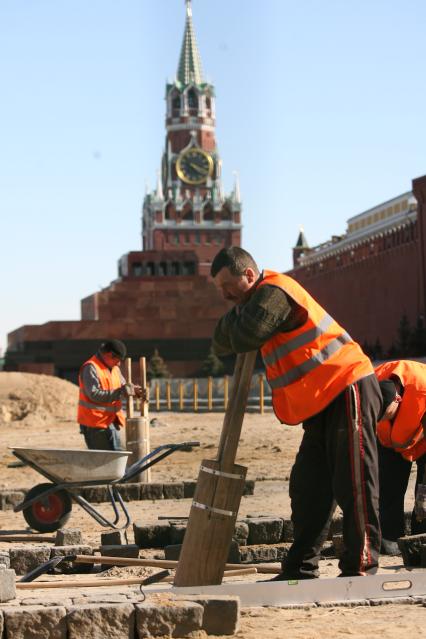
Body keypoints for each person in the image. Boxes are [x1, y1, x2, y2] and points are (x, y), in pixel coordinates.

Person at [210, 246, 383, 579]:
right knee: (308, 487)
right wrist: (236, 317)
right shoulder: (250, 301)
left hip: (346, 384)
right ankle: (301, 568)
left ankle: (361, 567)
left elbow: (246, 335)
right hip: (320, 401)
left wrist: (235, 322)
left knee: (354, 482)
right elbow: (220, 342)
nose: (224, 294)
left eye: (227, 286)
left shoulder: (274, 292)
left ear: (249, 274)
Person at [375, 360, 426, 555]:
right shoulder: (369, 385)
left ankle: (421, 537)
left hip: (422, 434)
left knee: (425, 492)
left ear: (397, 399)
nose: (382, 420)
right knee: (388, 487)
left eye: (385, 415)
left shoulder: (422, 390)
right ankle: (390, 539)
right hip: (391, 441)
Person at [77, 339, 143, 451]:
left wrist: (133, 391)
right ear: (109, 355)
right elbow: (94, 394)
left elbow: (122, 386)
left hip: (110, 422)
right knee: (106, 462)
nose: (119, 363)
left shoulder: (114, 369)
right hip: (95, 425)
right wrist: (121, 391)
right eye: (118, 359)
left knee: (117, 457)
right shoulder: (91, 368)